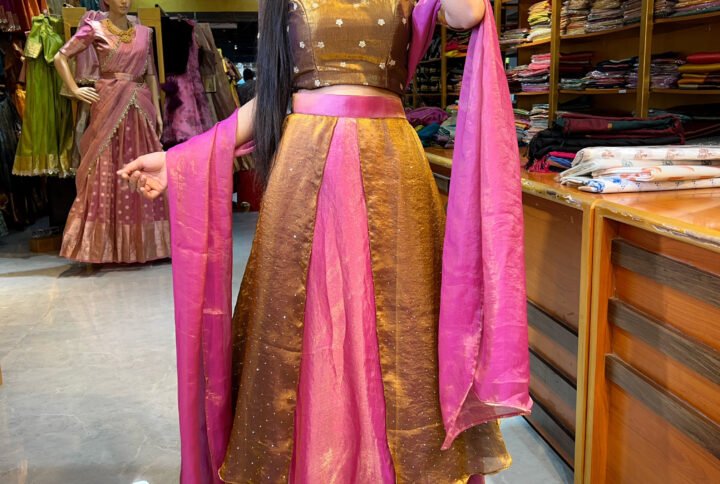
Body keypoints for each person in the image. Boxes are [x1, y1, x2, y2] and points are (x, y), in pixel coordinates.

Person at [119, 0, 531, 482]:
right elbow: (270, 100)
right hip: (306, 167)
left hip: (393, 170)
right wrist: (179, 159)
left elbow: (469, 14)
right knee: (302, 321)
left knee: (403, 325)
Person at [54, 0, 170, 263]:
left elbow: (151, 73)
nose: (124, 1)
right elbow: (60, 56)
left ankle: (149, 245)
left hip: (140, 104)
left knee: (143, 164)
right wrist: (73, 89)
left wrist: (157, 109)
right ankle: (100, 246)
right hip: (108, 101)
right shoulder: (94, 27)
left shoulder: (144, 32)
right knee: (104, 164)